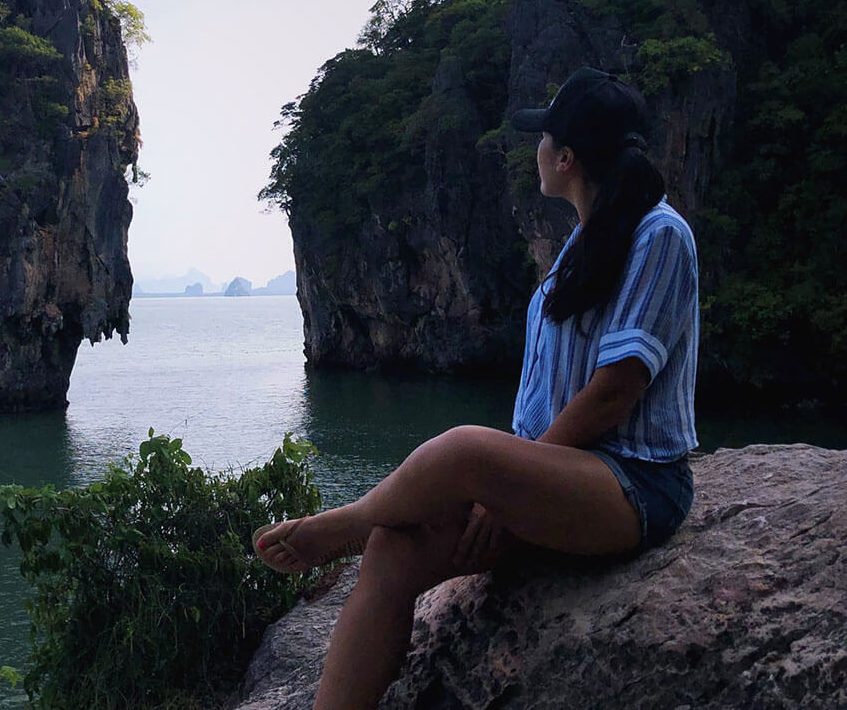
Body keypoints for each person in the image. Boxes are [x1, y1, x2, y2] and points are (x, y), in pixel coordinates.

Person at [253, 67, 699, 710]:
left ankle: (344, 523)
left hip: (634, 485)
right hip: (555, 480)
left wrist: (505, 482)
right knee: (393, 550)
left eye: (543, 139)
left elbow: (615, 389)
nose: (536, 151)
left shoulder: (660, 234)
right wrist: (510, 487)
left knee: (464, 449)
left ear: (566, 157)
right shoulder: (584, 242)